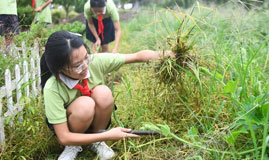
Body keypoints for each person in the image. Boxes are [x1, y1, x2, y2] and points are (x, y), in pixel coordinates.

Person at [40, 30, 172, 160]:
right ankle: (73, 146)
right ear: (60, 68)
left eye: (86, 57)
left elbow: (137, 56)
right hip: (71, 127)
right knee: (85, 104)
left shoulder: (95, 62)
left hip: (96, 122)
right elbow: (63, 136)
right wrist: (108, 135)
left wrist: (170, 55)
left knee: (103, 92)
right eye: (77, 65)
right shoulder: (52, 88)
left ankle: (96, 140)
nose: (85, 66)